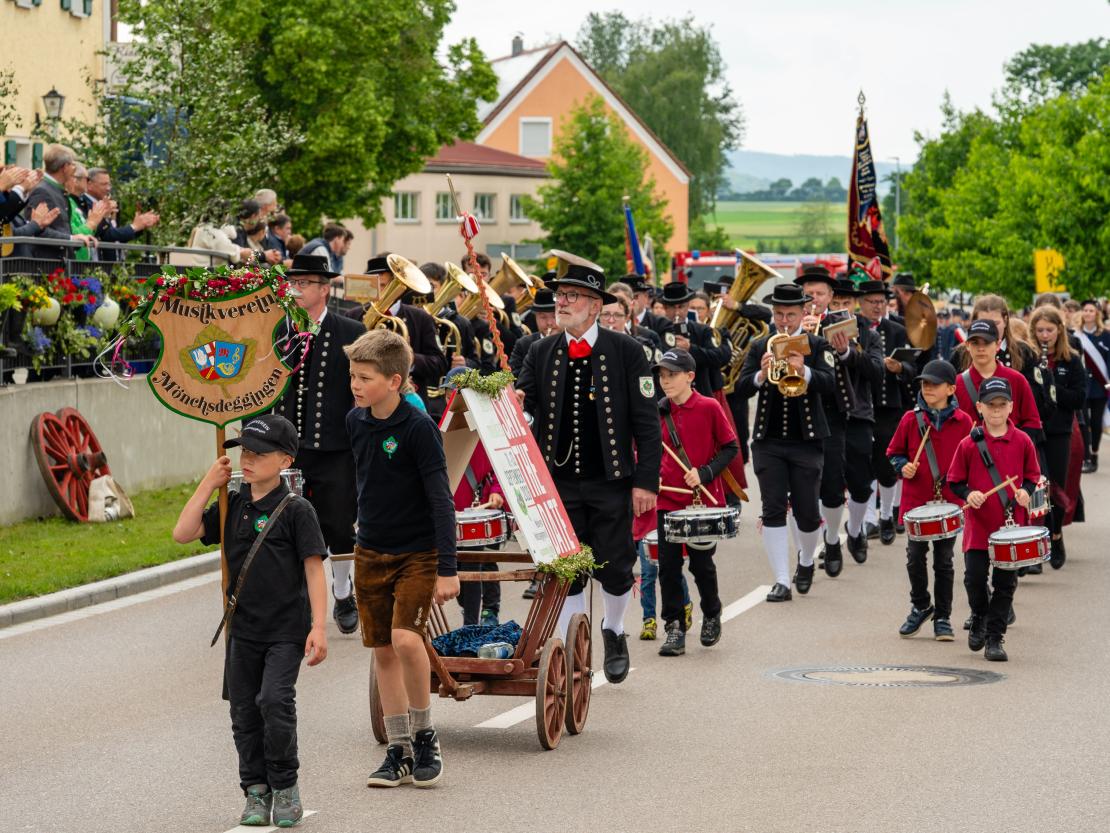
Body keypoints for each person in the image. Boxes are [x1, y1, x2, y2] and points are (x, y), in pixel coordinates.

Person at [172, 415, 328, 827]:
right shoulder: (232, 503)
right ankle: (255, 791)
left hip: (285, 631)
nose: (248, 459)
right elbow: (182, 533)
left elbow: (314, 570)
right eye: (245, 451)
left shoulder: (297, 510)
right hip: (242, 630)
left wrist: (319, 626)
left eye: (259, 454)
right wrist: (209, 483)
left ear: (285, 460)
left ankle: (285, 785)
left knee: (274, 703)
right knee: (244, 713)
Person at [515, 251, 661, 681]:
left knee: (615, 569)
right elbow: (525, 407)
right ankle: (571, 648)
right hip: (558, 483)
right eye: (559, 295)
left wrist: (646, 482)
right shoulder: (540, 351)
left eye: (572, 296)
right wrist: (515, 406)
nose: (561, 303)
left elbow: (647, 424)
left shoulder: (628, 351)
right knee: (568, 569)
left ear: (595, 306)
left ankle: (613, 630)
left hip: (612, 481)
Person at [346, 329, 458, 788]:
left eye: (364, 377)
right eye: (352, 375)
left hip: (418, 553)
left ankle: (425, 734)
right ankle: (398, 751)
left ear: (394, 381)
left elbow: (440, 501)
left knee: (408, 641)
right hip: (370, 550)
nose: (355, 385)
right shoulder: (356, 422)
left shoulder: (418, 429)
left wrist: (447, 568)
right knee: (383, 652)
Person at [271, 253, 366, 634]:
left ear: (325, 289)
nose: (296, 289)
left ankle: (343, 590)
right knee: (287, 522)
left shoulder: (350, 331)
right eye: (292, 282)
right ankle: (297, 600)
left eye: (305, 283)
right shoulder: (280, 331)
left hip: (337, 446)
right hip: (289, 447)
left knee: (338, 523)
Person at [737, 284, 836, 601]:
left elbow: (830, 383)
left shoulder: (818, 345)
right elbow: (740, 388)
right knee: (773, 508)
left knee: (807, 513)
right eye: (778, 314)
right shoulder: (760, 345)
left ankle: (806, 561)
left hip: (807, 440)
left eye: (790, 314)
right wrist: (761, 376)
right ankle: (781, 579)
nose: (783, 321)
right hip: (769, 441)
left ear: (803, 313)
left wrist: (803, 369)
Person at [796, 266, 883, 579]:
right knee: (830, 484)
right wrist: (802, 339)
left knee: (861, 483)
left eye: (820, 294)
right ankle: (831, 541)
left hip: (857, 412)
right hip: (823, 414)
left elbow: (876, 371)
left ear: (833, 298)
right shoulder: (795, 329)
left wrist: (846, 351)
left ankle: (856, 528)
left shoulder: (862, 330)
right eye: (809, 295)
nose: (815, 300)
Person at [947, 377, 1041, 662]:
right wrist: (969, 494)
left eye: (1002, 405)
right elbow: (955, 481)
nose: (997, 410)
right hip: (979, 524)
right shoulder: (968, 444)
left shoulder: (1023, 440)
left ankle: (995, 638)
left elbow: (1032, 476)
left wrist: (1025, 492)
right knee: (974, 578)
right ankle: (979, 614)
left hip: (1010, 526)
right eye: (991, 405)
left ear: (1011, 407)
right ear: (979, 407)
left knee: (1005, 584)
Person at [654, 348, 739, 656]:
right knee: (668, 566)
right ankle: (674, 626)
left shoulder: (709, 407)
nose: (666, 381)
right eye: (662, 376)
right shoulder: (658, 411)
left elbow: (730, 448)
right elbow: (648, 452)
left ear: (690, 376)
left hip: (700, 500)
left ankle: (712, 613)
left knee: (701, 565)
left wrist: (704, 472)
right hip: (666, 499)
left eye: (672, 375)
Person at [886, 360, 972, 641]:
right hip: (917, 500)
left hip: (948, 501)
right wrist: (903, 466)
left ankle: (943, 617)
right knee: (914, 556)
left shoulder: (964, 422)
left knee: (944, 560)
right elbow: (894, 452)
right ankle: (921, 604)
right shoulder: (911, 419)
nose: (928, 388)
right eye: (924, 383)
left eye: (934, 384)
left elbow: (970, 460)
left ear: (951, 388)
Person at [858, 279, 919, 548]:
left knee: (887, 463)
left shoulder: (896, 330)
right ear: (861, 303)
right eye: (871, 301)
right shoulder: (854, 330)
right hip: (860, 406)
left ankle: (886, 516)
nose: (877, 306)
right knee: (863, 464)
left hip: (888, 406)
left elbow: (912, 369)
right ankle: (869, 518)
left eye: (881, 301)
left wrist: (898, 369)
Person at [347, 254, 448, 415]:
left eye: (386, 285)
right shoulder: (353, 316)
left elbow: (440, 363)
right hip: (362, 407)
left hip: (408, 405)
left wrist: (410, 358)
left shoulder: (421, 318)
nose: (381, 293)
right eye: (376, 286)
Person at [1030, 306, 1086, 569]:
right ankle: (1038, 544)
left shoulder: (1071, 360)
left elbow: (1078, 398)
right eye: (1039, 330)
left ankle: (1056, 535)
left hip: (1060, 430)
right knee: (1036, 488)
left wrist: (1051, 386)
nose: (1044, 335)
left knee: (1057, 488)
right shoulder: (1030, 357)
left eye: (1049, 330)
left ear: (1059, 330)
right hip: (1033, 429)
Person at [1077, 299, 1110, 472]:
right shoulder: (1076, 335)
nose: (1088, 313)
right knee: (1084, 422)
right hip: (1082, 385)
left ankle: (1095, 454)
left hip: (1099, 386)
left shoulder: (1105, 335)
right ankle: (1086, 457)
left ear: (1096, 313)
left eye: (1091, 310)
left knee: (1096, 423)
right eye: (1085, 310)